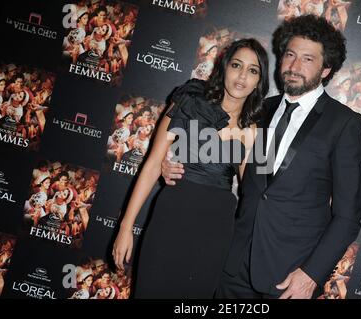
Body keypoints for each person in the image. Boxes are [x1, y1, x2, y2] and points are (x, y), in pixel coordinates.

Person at [163, 14, 361, 299]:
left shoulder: (343, 123)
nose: (294, 66)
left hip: (289, 278)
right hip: (231, 266)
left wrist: (310, 275)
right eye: (290, 54)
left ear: (326, 69)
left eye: (308, 59)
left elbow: (347, 217)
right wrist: (172, 159)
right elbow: (220, 151)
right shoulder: (260, 108)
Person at [112, 38, 269, 298]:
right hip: (172, 216)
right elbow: (152, 164)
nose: (242, 76)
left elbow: (257, 195)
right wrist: (126, 227)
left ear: (259, 80)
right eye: (237, 65)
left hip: (215, 232)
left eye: (253, 70)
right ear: (224, 68)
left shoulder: (257, 129)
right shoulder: (190, 99)